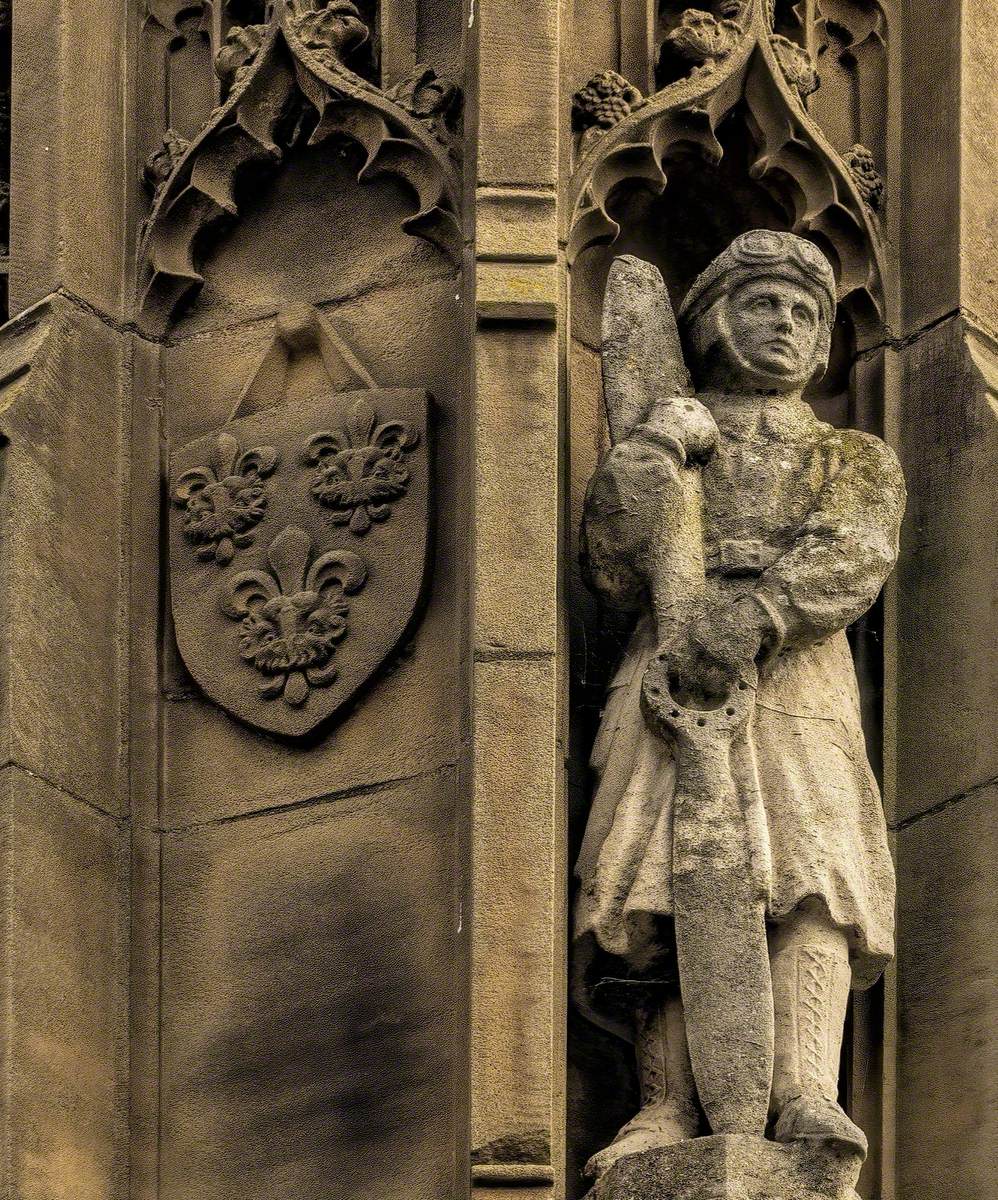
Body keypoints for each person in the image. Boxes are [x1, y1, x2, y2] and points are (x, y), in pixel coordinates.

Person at [574, 230, 905, 1179]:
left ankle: (805, 1085)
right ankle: (666, 1105)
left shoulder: (850, 455)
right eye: (764, 304)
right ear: (714, 320)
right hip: (670, 668)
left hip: (795, 674)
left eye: (806, 314)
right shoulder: (672, 437)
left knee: (813, 872)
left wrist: (760, 612)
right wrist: (648, 456)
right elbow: (608, 564)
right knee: (656, 881)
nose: (787, 326)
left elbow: (855, 550)